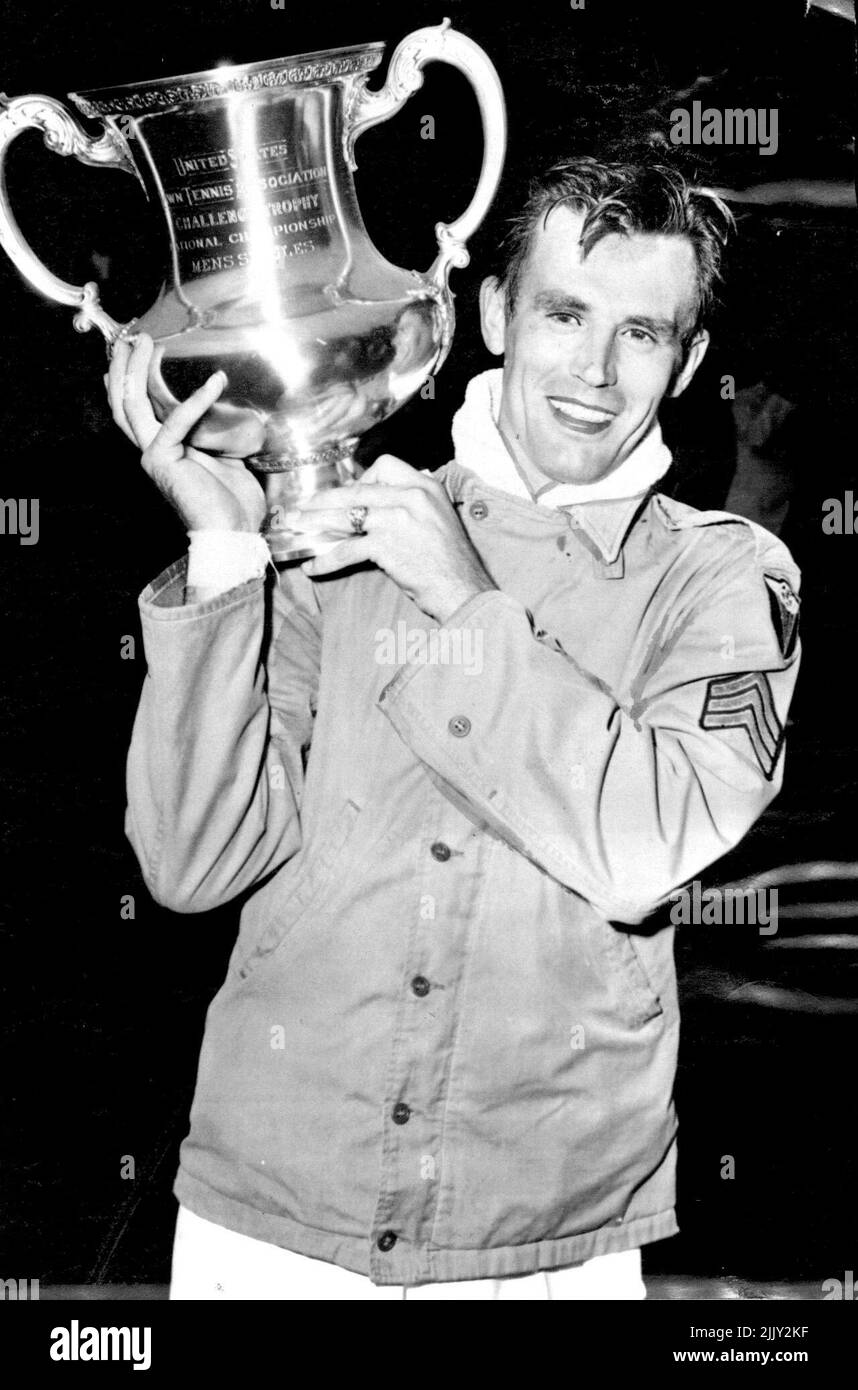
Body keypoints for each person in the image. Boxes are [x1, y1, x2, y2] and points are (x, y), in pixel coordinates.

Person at [109, 157, 801, 1300]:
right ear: (492, 314)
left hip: (549, 1243)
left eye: (642, 333)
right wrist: (228, 552)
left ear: (688, 366)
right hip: (271, 1216)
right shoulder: (334, 528)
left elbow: (645, 849)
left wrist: (465, 599)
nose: (593, 369)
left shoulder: (726, 578)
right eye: (565, 314)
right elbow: (190, 864)